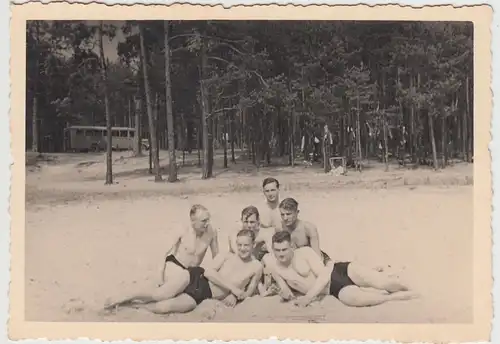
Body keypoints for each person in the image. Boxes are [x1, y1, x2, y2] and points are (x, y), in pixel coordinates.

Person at [103, 204, 219, 310]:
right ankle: (126, 296)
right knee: (164, 294)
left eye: (208, 219)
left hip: (192, 272)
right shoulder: (182, 229)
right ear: (193, 221)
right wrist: (159, 276)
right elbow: (163, 252)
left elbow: (217, 257)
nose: (207, 223)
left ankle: (135, 304)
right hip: (175, 265)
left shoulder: (212, 232)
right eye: (204, 221)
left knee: (179, 299)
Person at [263, 231, 418, 307]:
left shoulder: (304, 253)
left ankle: (411, 287)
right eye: (277, 250)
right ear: (273, 249)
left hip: (339, 271)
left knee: (383, 283)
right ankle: (401, 296)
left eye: (284, 249)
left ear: (291, 246)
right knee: (363, 300)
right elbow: (286, 291)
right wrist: (283, 293)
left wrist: (308, 298)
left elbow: (324, 275)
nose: (281, 254)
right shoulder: (275, 267)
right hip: (333, 290)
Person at [134, 229, 264, 314]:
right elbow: (208, 272)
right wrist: (233, 289)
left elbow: (248, 292)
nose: (242, 248)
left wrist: (235, 296)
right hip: (196, 277)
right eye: (239, 244)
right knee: (159, 295)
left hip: (204, 294)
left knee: (164, 308)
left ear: (253, 245)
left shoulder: (256, 267)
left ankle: (132, 308)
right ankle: (123, 298)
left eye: (246, 245)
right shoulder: (227, 256)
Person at [277, 197, 331, 265]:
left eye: (288, 214)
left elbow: (317, 255)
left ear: (297, 212)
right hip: (297, 262)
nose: (285, 218)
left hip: (316, 259)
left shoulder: (308, 228)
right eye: (282, 214)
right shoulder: (280, 228)